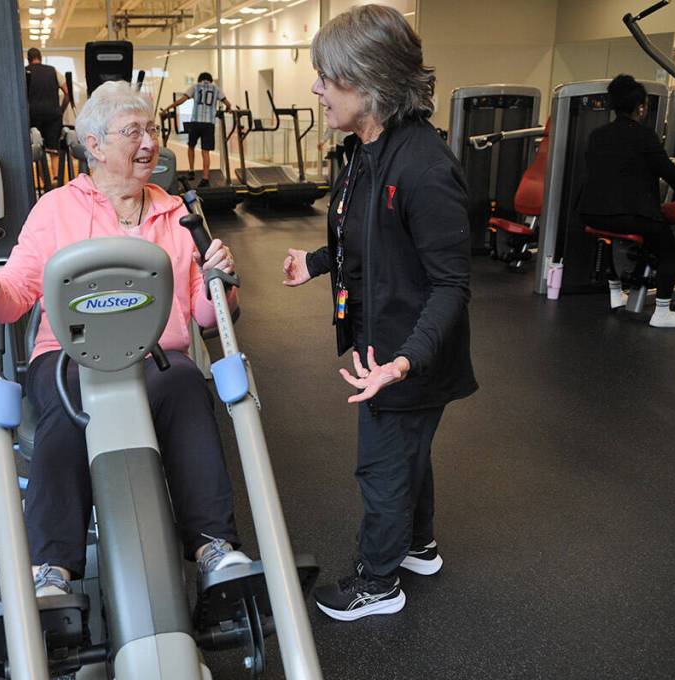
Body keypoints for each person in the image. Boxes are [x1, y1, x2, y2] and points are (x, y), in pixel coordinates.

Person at [0, 80, 250, 597]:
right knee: (70, 402)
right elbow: (17, 291)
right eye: (133, 131)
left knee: (188, 389)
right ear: (94, 144)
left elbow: (205, 314)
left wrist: (223, 280)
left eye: (152, 130)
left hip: (158, 360)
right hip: (68, 358)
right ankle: (52, 570)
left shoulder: (177, 212)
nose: (150, 142)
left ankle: (213, 548)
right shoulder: (57, 209)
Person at [281, 4, 478, 621]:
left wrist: (402, 362)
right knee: (406, 452)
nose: (316, 88)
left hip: (407, 352)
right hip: (384, 339)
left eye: (327, 77)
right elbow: (367, 234)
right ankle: (417, 546)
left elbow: (451, 285)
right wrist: (317, 261)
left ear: (369, 84)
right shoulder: (367, 148)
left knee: (383, 463)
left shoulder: (423, 166)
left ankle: (377, 582)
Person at [579, 74, 675, 328]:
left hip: (591, 213)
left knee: (614, 238)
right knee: (669, 249)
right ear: (641, 108)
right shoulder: (644, 135)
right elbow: (666, 169)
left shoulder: (597, 135)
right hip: (628, 216)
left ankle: (616, 294)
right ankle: (663, 312)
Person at [160, 73, 233, 187]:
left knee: (191, 146)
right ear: (210, 80)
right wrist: (228, 109)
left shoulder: (195, 86)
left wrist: (167, 108)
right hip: (209, 124)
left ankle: (191, 170)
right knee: (206, 152)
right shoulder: (216, 88)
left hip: (196, 122)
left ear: (200, 79)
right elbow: (228, 103)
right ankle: (205, 178)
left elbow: (182, 100)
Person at [25, 47, 70, 153]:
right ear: (41, 58)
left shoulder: (25, 72)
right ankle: (55, 170)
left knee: (35, 148)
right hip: (53, 115)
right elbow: (68, 93)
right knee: (53, 150)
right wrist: (61, 110)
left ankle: (39, 168)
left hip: (32, 115)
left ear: (28, 59)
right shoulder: (52, 70)